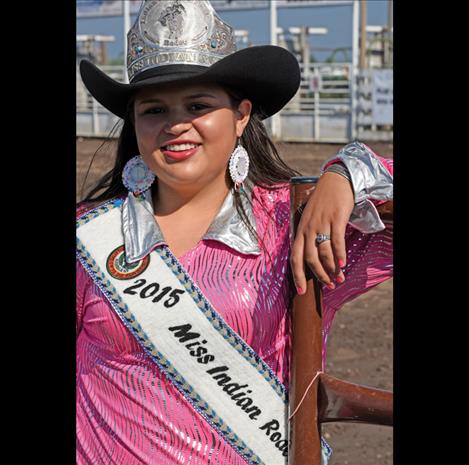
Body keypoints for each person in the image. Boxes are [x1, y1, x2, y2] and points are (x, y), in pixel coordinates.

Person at [76, 1, 393, 464]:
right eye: (154, 109)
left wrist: (350, 173)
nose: (175, 124)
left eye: (198, 105)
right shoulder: (90, 234)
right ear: (135, 123)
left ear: (242, 115)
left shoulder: (296, 224)